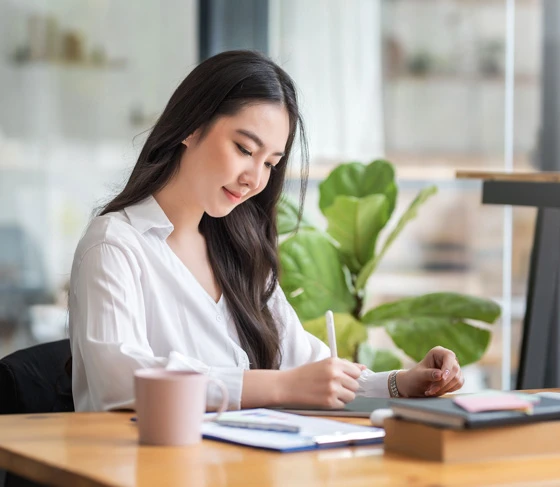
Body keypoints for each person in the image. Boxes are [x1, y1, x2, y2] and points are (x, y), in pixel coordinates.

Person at [68, 50, 464, 412]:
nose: (254, 179)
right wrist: (276, 387)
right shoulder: (114, 245)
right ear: (190, 127)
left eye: (271, 163)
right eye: (244, 149)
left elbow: (309, 372)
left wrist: (401, 383)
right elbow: (119, 381)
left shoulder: (238, 250)